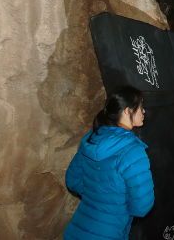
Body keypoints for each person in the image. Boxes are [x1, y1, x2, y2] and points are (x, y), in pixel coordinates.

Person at [64, 86, 155, 240]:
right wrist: (115, 206)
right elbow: (141, 207)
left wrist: (97, 196)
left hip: (76, 231)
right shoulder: (132, 151)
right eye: (141, 107)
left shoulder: (92, 138)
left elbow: (72, 180)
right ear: (127, 111)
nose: (144, 111)